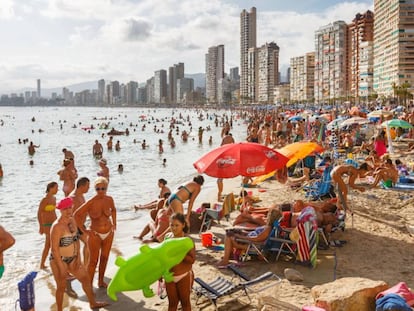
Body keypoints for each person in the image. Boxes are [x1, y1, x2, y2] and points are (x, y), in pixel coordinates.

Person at [50, 197, 108, 311]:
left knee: (85, 279)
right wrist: (61, 267)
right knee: (61, 287)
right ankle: (59, 309)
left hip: (73, 259)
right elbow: (54, 249)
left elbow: (76, 240)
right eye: (65, 209)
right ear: (60, 210)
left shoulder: (72, 220)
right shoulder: (57, 227)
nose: (68, 211)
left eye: (70, 208)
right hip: (58, 259)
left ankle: (93, 303)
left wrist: (78, 258)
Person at [74, 177, 116, 288]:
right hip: (95, 234)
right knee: (93, 261)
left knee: (105, 258)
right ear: (95, 189)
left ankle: (101, 281)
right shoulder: (91, 202)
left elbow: (114, 209)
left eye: (103, 188)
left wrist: (114, 224)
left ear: (106, 188)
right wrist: (84, 230)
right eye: (98, 189)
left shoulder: (109, 199)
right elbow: (76, 215)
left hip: (109, 233)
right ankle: (89, 284)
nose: (101, 191)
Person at [217, 207, 282, 267]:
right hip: (250, 240)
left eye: (268, 215)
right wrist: (243, 233)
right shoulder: (269, 226)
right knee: (230, 232)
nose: (267, 216)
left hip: (253, 245)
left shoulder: (268, 228)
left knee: (229, 237)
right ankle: (229, 255)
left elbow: (257, 239)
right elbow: (256, 235)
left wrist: (241, 236)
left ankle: (225, 260)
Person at [164, 213, 195, 311]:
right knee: (172, 303)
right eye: (171, 225)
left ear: (183, 225)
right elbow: (162, 257)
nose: (174, 228)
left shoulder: (187, 241)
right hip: (169, 276)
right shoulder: (167, 238)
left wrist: (181, 254)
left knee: (185, 302)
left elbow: (192, 260)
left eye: (177, 225)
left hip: (184, 275)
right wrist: (159, 273)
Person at [37, 182, 58, 269]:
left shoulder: (54, 198)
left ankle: (55, 262)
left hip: (54, 223)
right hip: (47, 224)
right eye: (56, 188)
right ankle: (42, 264)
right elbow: (39, 213)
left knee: (55, 243)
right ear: (50, 188)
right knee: (48, 244)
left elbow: (53, 211)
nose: (57, 189)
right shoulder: (44, 200)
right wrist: (41, 226)